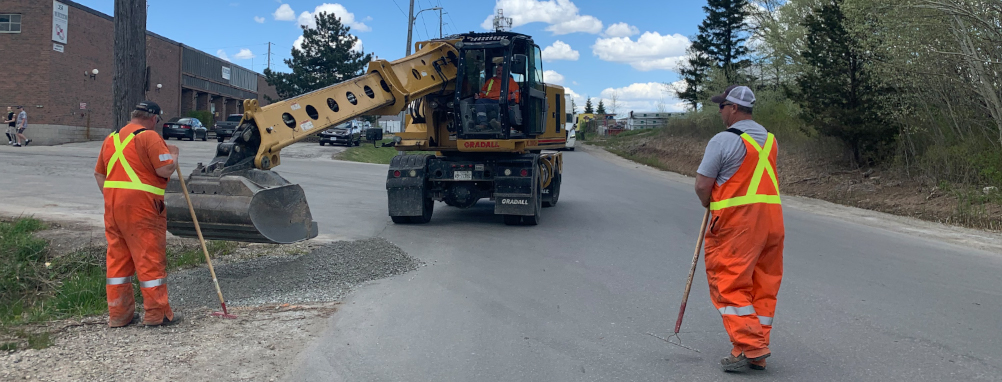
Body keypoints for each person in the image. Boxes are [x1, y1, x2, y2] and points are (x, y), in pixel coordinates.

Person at [694, 85, 784, 372]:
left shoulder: (723, 140)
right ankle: (753, 349)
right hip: (772, 222)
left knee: (729, 282)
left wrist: (708, 202)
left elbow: (702, 185)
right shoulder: (770, 140)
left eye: (721, 106)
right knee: (763, 286)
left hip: (739, 223)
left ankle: (751, 346)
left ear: (733, 107)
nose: (719, 111)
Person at [93, 101, 181, 327]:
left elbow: (99, 174)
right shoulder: (149, 137)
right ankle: (156, 314)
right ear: (153, 119)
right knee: (148, 257)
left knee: (118, 260)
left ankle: (119, 315)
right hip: (141, 208)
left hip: (113, 207)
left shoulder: (111, 139)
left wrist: (115, 195)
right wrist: (174, 155)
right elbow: (164, 169)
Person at [474, 57, 521, 130]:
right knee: (479, 102)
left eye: (502, 70)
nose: (499, 72)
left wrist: (515, 97)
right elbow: (483, 92)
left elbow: (517, 94)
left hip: (502, 102)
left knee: (503, 104)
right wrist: (479, 96)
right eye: (498, 70)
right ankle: (483, 124)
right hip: (489, 101)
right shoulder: (490, 81)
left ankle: (499, 124)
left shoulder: (511, 82)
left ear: (506, 72)